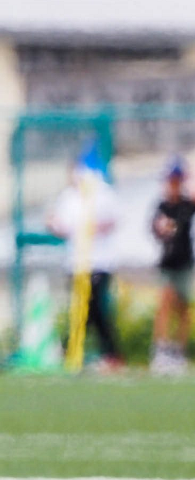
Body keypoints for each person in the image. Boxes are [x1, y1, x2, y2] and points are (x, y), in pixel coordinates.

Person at [47, 147, 124, 371]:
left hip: (99, 261)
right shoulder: (69, 197)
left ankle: (98, 352)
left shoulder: (103, 193)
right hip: (76, 262)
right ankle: (80, 350)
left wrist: (94, 227)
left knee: (93, 309)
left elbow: (115, 220)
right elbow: (59, 224)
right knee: (82, 308)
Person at [150, 156, 195, 375]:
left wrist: (191, 174)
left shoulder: (186, 205)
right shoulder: (162, 206)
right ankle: (161, 349)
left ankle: (179, 352)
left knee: (183, 309)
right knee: (165, 301)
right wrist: (162, 228)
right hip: (168, 264)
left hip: (185, 262)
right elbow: (155, 228)